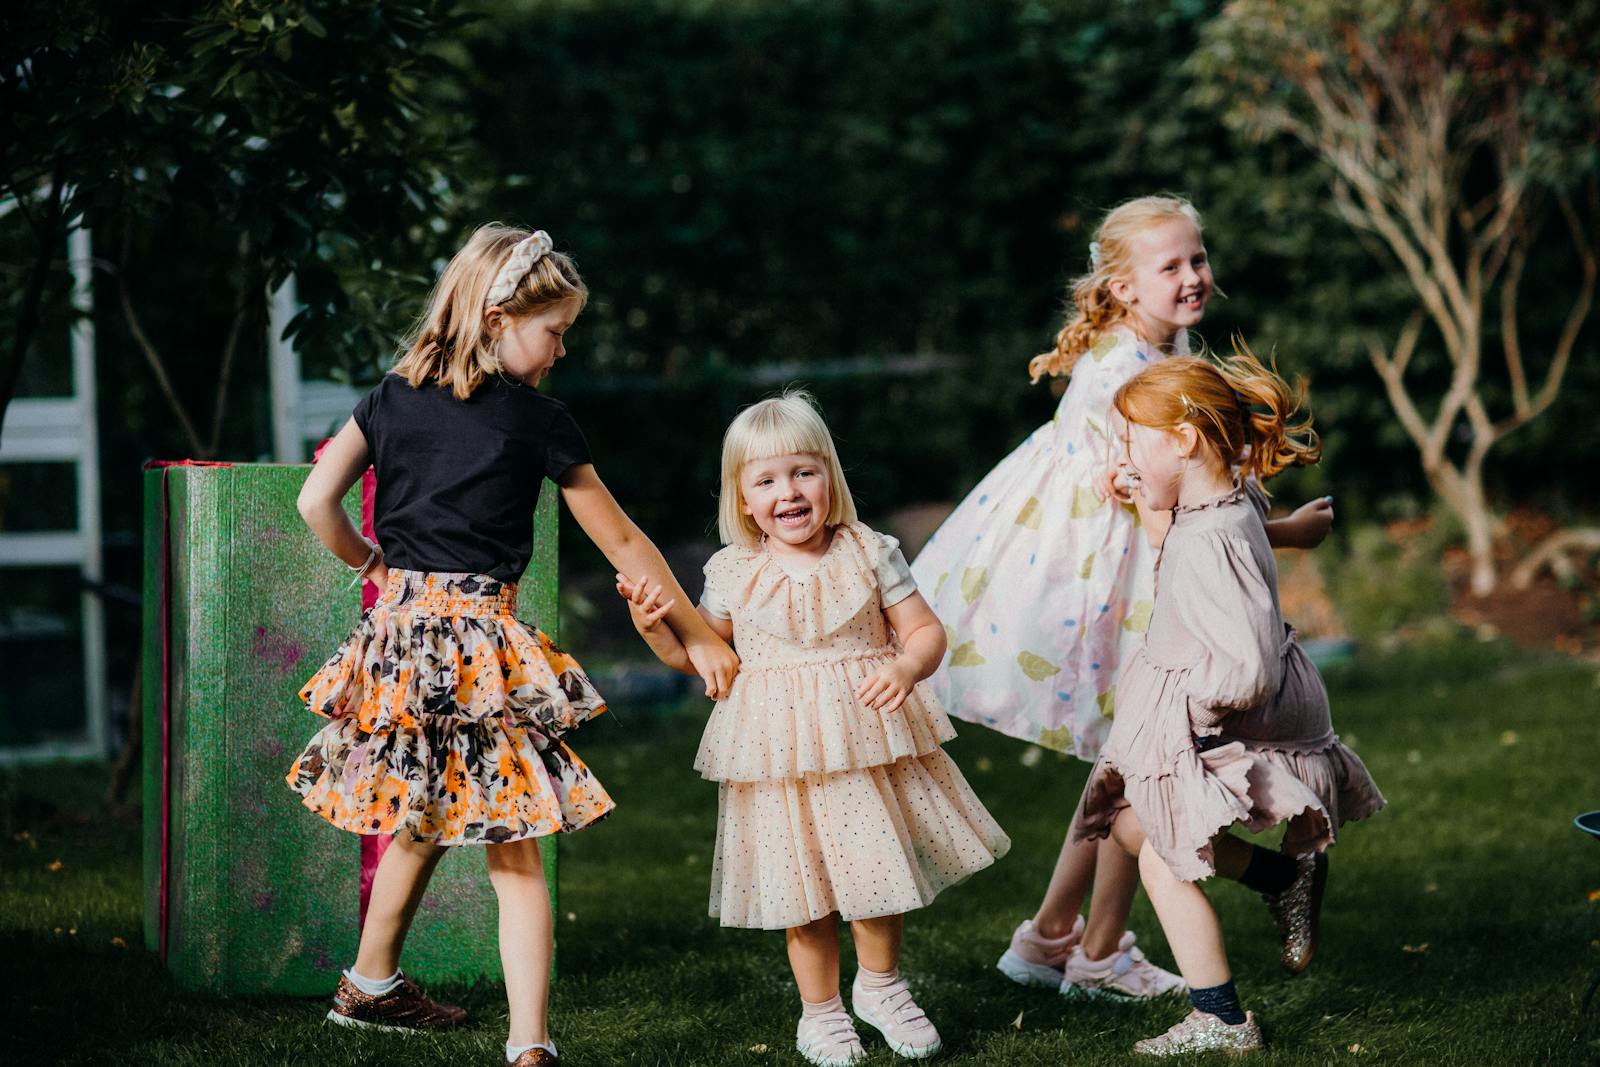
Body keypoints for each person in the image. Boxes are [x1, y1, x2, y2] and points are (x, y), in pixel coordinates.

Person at [287, 224, 738, 1067]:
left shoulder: (388, 395)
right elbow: (628, 543)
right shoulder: (538, 422)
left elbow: (318, 498)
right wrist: (702, 636)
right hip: (475, 650)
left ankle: (368, 985)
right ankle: (530, 1045)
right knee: (517, 845)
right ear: (498, 317)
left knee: (417, 811)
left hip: (397, 643)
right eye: (554, 331)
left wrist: (370, 561)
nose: (560, 351)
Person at [909, 194, 1335, 998]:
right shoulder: (1125, 372)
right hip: (1122, 579)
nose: (1192, 275)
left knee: (1130, 763)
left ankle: (1052, 941)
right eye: (1170, 265)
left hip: (1131, 565)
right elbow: (1170, 505)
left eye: (1197, 258)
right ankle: (1092, 952)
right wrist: (1283, 535)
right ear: (1123, 285)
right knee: (1141, 763)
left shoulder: (1155, 348)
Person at [618, 390, 1009, 1065]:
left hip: (861, 737)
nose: (788, 491)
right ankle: (821, 1012)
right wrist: (653, 626)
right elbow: (702, 657)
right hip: (777, 751)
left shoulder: (868, 550)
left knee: (876, 871)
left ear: (829, 476)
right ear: (742, 498)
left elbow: (923, 629)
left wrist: (908, 665)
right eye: (766, 479)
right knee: (801, 887)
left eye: (803, 471)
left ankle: (882, 987)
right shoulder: (732, 571)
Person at [1070, 348, 1384, 1055]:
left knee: (1160, 851)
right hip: (1204, 703)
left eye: (1133, 443)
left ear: (1182, 441)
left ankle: (1221, 1017)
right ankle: (1282, 877)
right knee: (1128, 826)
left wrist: (1198, 718)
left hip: (1217, 714)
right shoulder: (1222, 496)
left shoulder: (1208, 534)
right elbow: (1228, 536)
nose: (1125, 459)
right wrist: (1291, 533)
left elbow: (1245, 665)